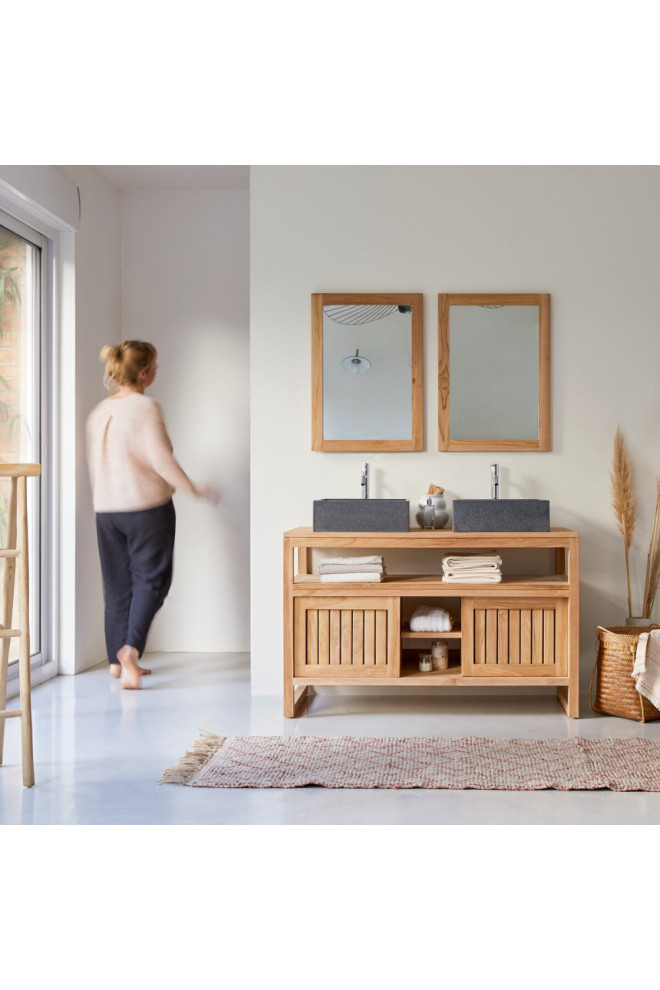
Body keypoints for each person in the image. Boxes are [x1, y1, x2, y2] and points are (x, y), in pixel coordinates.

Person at [86, 340, 217, 690]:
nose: (157, 371)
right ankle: (131, 651)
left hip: (106, 511)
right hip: (145, 509)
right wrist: (192, 488)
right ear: (144, 373)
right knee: (152, 582)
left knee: (116, 588)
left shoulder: (99, 412)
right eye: (155, 366)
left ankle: (117, 662)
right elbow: (160, 459)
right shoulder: (145, 407)